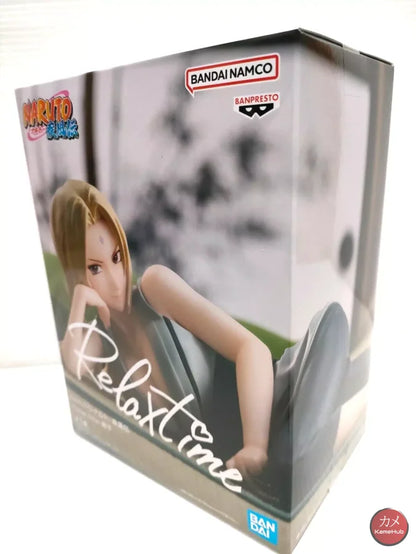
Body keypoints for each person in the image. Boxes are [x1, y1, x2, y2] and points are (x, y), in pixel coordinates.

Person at [51, 179, 360, 513]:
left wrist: (255, 445)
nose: (115, 280)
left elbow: (250, 349)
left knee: (293, 449)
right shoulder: (97, 344)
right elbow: (73, 369)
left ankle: (291, 461)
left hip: (284, 397)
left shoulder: (154, 288)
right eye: (94, 268)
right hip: (240, 475)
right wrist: (79, 305)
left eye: (116, 257)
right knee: (293, 467)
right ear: (75, 272)